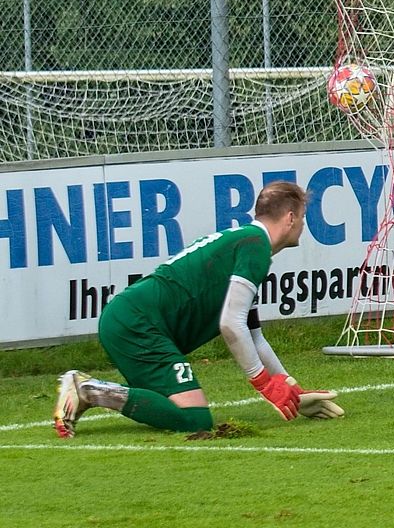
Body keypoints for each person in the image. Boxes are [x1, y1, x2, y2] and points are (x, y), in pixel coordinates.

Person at [53, 181, 344, 438]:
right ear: (290, 218)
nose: (303, 225)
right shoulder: (255, 247)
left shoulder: (246, 242)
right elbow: (230, 325)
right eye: (302, 217)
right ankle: (89, 390)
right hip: (138, 325)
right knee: (195, 419)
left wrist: (292, 389)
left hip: (132, 320)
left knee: (172, 407)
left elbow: (253, 335)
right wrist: (264, 384)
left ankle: (89, 391)